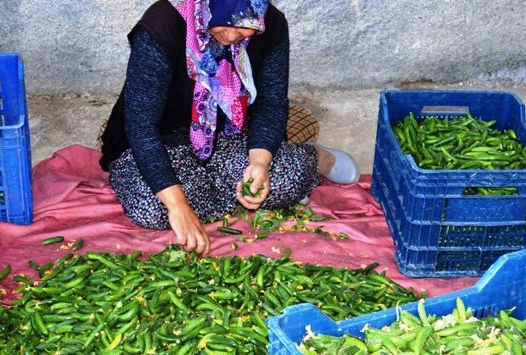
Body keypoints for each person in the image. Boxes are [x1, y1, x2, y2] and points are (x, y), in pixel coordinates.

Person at [99, 0, 359, 256]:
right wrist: (177, 204)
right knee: (153, 208)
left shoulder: (272, 25)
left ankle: (316, 157)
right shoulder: (163, 25)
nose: (232, 35)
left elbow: (271, 104)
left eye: (245, 27)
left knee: (283, 177)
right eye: (223, 23)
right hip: (159, 142)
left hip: (228, 136)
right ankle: (230, 192)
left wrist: (259, 163)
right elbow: (142, 127)